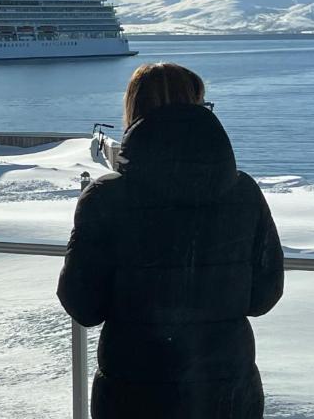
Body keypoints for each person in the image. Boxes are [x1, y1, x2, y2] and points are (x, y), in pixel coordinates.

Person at [58, 63, 284, 419]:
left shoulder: (105, 198)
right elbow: (263, 297)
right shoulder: (243, 192)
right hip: (226, 391)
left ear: (134, 112)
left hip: (133, 391)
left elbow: (83, 304)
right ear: (198, 109)